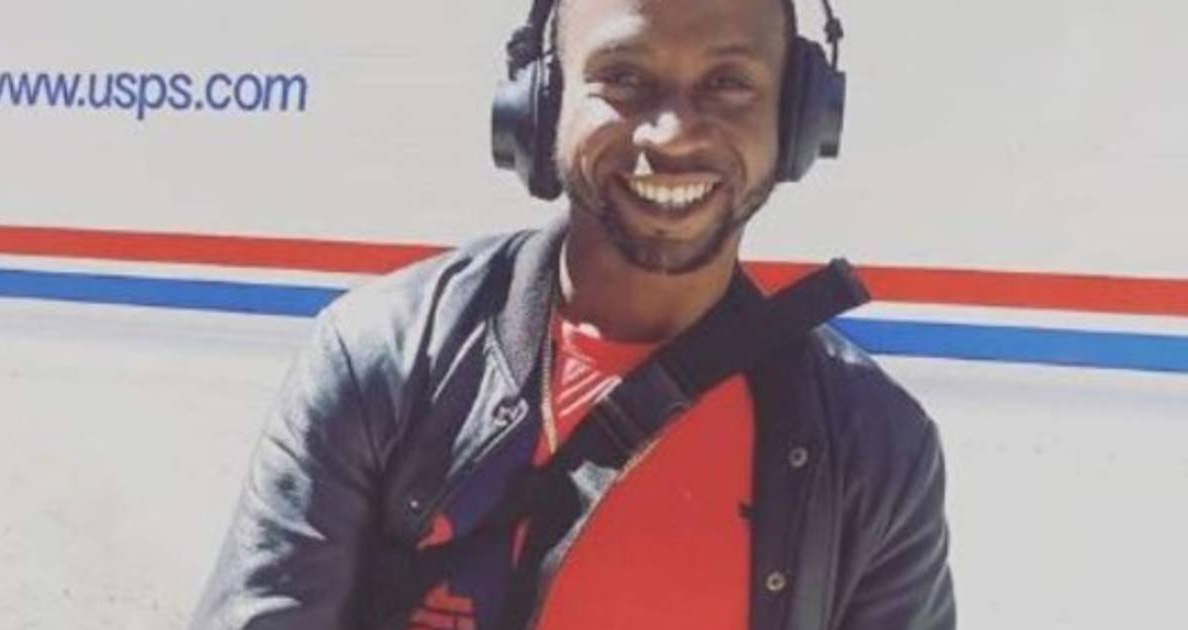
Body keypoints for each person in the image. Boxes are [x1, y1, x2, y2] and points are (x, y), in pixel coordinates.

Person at [191, 0, 956, 628]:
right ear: (543, 102)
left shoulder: (874, 445)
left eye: (729, 83)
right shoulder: (380, 358)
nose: (671, 133)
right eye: (623, 77)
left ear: (797, 119)